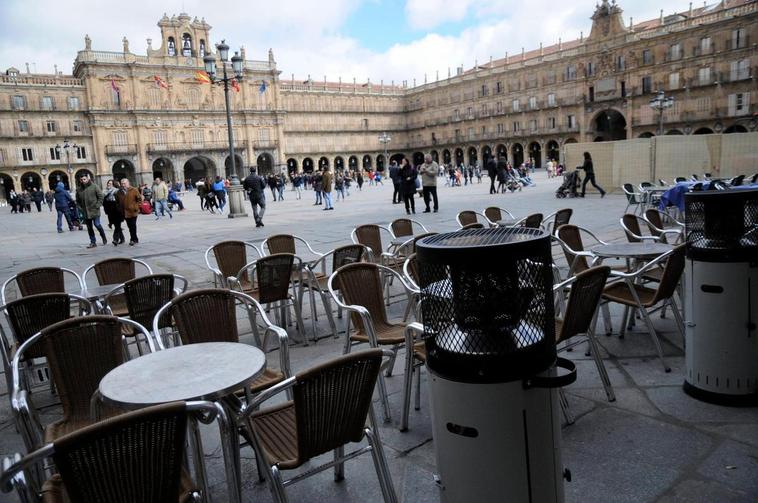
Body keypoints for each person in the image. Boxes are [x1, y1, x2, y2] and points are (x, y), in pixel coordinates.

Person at [75, 173, 106, 248]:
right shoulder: (79, 189)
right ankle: (93, 242)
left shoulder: (94, 186)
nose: (83, 181)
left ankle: (103, 236)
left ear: (88, 179)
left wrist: (97, 205)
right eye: (82, 180)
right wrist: (80, 208)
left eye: (84, 179)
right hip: (85, 211)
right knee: (89, 227)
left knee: (97, 224)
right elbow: (77, 201)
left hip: (94, 210)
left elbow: (101, 197)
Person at [117, 178, 142, 245]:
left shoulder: (134, 190)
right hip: (125, 212)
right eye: (122, 184)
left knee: (133, 225)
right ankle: (135, 238)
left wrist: (136, 207)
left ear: (128, 183)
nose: (123, 185)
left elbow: (139, 199)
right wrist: (119, 208)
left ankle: (132, 239)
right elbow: (117, 201)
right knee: (130, 226)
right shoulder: (120, 192)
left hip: (133, 211)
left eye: (124, 183)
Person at [103, 179, 125, 245]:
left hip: (117, 210)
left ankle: (115, 239)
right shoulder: (105, 191)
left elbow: (121, 201)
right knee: (116, 225)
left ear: (113, 184)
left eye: (110, 183)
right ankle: (122, 238)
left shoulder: (117, 191)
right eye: (108, 183)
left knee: (117, 225)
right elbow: (104, 202)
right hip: (110, 211)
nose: (109, 184)